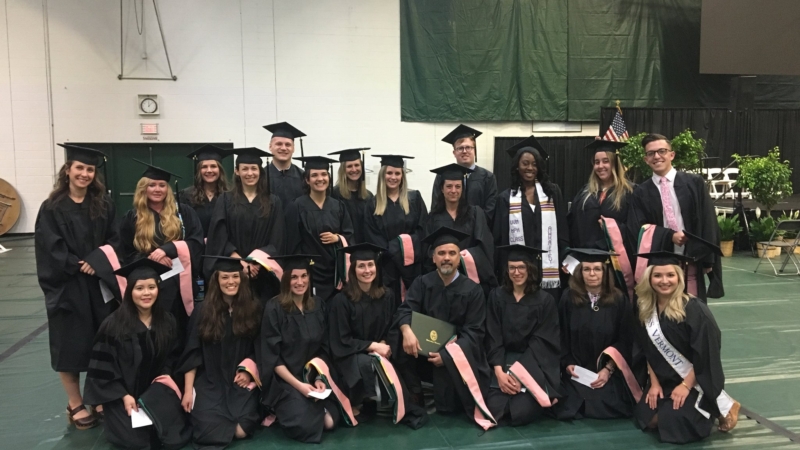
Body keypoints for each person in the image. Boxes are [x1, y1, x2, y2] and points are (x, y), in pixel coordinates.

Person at [35, 144, 121, 431]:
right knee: (70, 345)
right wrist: (76, 264)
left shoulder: (104, 204)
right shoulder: (52, 207)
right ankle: (75, 403)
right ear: (68, 170)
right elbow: (49, 246)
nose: (84, 174)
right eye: (80, 168)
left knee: (101, 342)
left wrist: (96, 261)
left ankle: (98, 398)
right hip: (68, 285)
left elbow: (116, 238)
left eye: (89, 169)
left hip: (99, 284)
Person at [390, 227, 496, 430]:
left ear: (459, 258)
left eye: (451, 253)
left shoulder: (473, 290)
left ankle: (445, 398)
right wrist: (407, 331)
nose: (446, 258)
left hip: (455, 355)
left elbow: (474, 333)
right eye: (441, 253)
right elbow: (405, 310)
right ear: (433, 257)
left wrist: (447, 356)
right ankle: (414, 394)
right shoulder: (423, 283)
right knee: (397, 335)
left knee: (449, 405)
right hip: (422, 352)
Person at [633, 252, 739, 444]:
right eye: (657, 275)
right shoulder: (646, 308)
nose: (664, 281)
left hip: (695, 381)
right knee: (646, 419)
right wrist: (654, 384)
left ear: (679, 277)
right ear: (649, 278)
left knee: (675, 423)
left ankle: (727, 407)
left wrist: (685, 386)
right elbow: (648, 350)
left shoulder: (694, 309)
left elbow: (706, 354)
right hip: (664, 378)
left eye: (670, 275)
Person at [84, 258, 190, 450]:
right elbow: (103, 371)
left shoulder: (167, 321)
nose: (146, 293)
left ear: (158, 289)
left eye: (151, 287)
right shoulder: (113, 325)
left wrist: (165, 378)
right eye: (139, 288)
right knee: (137, 442)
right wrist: (123, 395)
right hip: (122, 397)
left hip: (156, 392)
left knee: (174, 439)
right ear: (130, 291)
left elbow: (174, 356)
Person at [258, 254, 356, 444]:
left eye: (304, 276)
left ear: (309, 277)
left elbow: (325, 348)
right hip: (285, 382)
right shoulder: (274, 308)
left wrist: (319, 378)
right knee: (305, 426)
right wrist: (300, 386)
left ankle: (308, 405)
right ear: (286, 279)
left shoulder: (318, 305)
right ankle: (283, 408)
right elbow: (272, 357)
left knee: (330, 422)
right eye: (294, 277)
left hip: (312, 377)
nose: (300, 282)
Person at [328, 243, 427, 428]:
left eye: (371, 265)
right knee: (365, 363)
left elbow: (392, 325)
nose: (367, 270)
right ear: (353, 269)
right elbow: (341, 340)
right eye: (361, 266)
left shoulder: (387, 295)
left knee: (402, 351)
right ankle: (363, 401)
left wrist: (385, 342)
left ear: (377, 267)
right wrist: (373, 346)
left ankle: (406, 396)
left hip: (383, 350)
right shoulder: (341, 301)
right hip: (353, 354)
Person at [178, 256, 263, 448]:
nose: (230, 282)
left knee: (242, 429)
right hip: (210, 381)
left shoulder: (252, 309)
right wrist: (188, 391)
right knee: (208, 431)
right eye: (225, 277)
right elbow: (192, 353)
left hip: (237, 381)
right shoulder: (203, 311)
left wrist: (248, 370)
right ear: (217, 280)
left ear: (242, 279)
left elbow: (259, 347)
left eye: (235, 276)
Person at [629, 133, 723, 301]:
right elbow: (639, 228)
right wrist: (669, 236)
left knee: (691, 307)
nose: (656, 156)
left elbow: (709, 221)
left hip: (691, 259)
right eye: (651, 153)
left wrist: (708, 260)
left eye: (662, 151)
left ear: (672, 155)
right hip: (660, 261)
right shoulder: (641, 192)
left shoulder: (694, 183)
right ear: (646, 159)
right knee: (661, 306)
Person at [118, 161, 204, 340]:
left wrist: (169, 249)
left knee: (178, 329)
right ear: (144, 189)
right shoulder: (132, 217)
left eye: (162, 185)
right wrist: (152, 259)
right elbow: (124, 252)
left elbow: (196, 243)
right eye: (152, 185)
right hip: (148, 283)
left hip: (179, 282)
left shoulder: (183, 213)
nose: (157, 189)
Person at [554, 248, 640, 420]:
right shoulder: (569, 298)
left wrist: (608, 369)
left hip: (607, 371)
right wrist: (567, 362)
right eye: (586, 269)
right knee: (567, 403)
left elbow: (625, 339)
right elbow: (560, 334)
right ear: (580, 272)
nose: (592, 274)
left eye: (597, 269)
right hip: (577, 371)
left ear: (605, 272)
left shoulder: (618, 300)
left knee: (610, 403)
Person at [485, 244, 561, 426]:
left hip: (533, 364)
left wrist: (520, 374)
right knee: (493, 406)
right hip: (501, 361)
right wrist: (499, 371)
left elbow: (542, 342)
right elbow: (493, 335)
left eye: (521, 267)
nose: (516, 272)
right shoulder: (496, 296)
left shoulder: (544, 301)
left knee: (523, 409)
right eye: (512, 267)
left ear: (530, 269)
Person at [494, 136, 570, 301]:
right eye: (525, 163)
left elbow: (563, 230)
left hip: (548, 267)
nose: (530, 168)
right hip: (520, 269)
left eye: (534, 164)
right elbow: (500, 237)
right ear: (517, 167)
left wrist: (566, 259)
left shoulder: (552, 193)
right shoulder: (506, 198)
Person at [205, 147, 286, 303]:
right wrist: (240, 262)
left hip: (263, 273)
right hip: (233, 272)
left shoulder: (273, 201)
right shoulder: (225, 200)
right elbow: (218, 235)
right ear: (237, 171)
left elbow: (278, 238)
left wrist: (257, 262)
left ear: (260, 171)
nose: (250, 173)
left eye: (254, 169)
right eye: (245, 169)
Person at [567, 140, 637, 297]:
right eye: (597, 162)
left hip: (615, 264)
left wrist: (613, 228)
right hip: (586, 263)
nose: (600, 166)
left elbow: (635, 229)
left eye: (606, 161)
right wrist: (571, 257)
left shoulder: (630, 193)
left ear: (615, 163)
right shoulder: (584, 193)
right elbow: (572, 226)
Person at [285, 155, 354, 301]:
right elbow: (292, 243)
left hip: (335, 273)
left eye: (324, 174)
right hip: (309, 272)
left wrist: (338, 238)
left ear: (329, 178)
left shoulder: (338, 206)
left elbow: (349, 235)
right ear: (307, 180)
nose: (320, 178)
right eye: (314, 175)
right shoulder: (296, 206)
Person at [364, 155, 428, 304]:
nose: (393, 177)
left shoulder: (415, 199)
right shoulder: (372, 204)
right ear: (382, 175)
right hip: (386, 267)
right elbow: (371, 235)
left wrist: (400, 249)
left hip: (412, 266)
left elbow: (423, 229)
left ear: (402, 176)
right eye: (389, 173)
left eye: (397, 173)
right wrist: (395, 250)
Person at [425, 163, 496, 295]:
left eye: (458, 186)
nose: (453, 190)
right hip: (442, 280)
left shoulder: (475, 213)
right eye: (449, 186)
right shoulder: (433, 217)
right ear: (442, 189)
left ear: (463, 189)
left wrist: (465, 258)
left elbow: (486, 245)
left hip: (471, 280)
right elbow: (427, 249)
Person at [431, 125, 498, 225]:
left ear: (474, 150)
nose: (464, 151)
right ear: (454, 152)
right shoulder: (442, 176)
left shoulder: (488, 177)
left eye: (468, 147)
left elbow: (490, 211)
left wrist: (472, 228)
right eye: (460, 148)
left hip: (478, 233)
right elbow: (436, 207)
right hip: (448, 231)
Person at [179, 144, 231, 238]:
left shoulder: (230, 196)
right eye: (204, 167)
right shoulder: (186, 196)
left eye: (213, 166)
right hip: (195, 249)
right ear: (199, 170)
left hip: (223, 250)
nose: (209, 170)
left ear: (220, 170)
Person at [329, 148, 374, 244]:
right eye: (349, 166)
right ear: (343, 170)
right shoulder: (334, 194)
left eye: (357, 165)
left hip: (365, 249)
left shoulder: (368, 196)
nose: (354, 169)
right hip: (344, 248)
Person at [264, 121, 307, 207]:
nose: (283, 148)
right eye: (279, 144)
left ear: (293, 148)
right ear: (270, 147)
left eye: (288, 145)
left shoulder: (303, 176)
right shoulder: (261, 176)